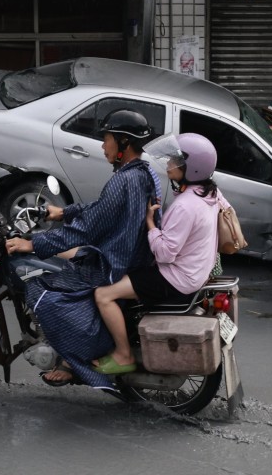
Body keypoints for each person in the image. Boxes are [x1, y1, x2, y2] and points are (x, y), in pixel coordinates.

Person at [4, 109, 160, 389]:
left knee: (46, 293)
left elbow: (86, 229)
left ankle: (73, 361)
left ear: (123, 143)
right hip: (132, 256)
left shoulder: (122, 181)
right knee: (66, 259)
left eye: (107, 138)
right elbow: (102, 211)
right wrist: (64, 213)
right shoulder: (144, 174)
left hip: (114, 264)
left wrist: (33, 243)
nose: (103, 145)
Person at [91, 132, 225, 375]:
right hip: (195, 273)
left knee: (103, 294)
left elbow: (164, 254)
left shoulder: (185, 205)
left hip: (176, 279)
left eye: (176, 161)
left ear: (191, 169)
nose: (169, 164)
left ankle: (123, 355)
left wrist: (150, 224)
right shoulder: (211, 194)